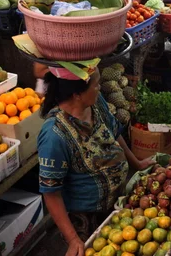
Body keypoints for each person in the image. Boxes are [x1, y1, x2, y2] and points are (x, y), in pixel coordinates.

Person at [37, 62, 154, 255]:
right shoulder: (54, 136)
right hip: (86, 218)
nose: (99, 88)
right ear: (77, 94)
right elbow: (51, 193)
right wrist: (73, 239)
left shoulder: (95, 103)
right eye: (96, 84)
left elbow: (114, 132)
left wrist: (137, 164)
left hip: (117, 204)